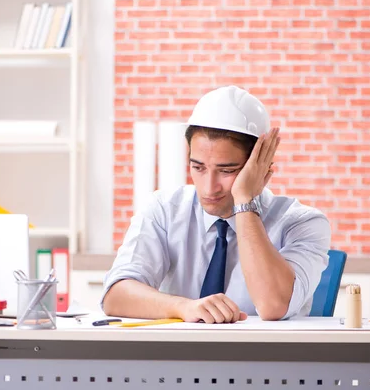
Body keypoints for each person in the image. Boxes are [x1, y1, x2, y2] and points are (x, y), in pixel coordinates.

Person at [101, 85, 331, 323]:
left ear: (261, 165)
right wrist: (183, 307)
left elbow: (273, 306)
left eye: (227, 170)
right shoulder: (164, 209)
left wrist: (244, 202)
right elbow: (115, 296)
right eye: (198, 167)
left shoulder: (303, 223)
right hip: (180, 357)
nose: (209, 187)